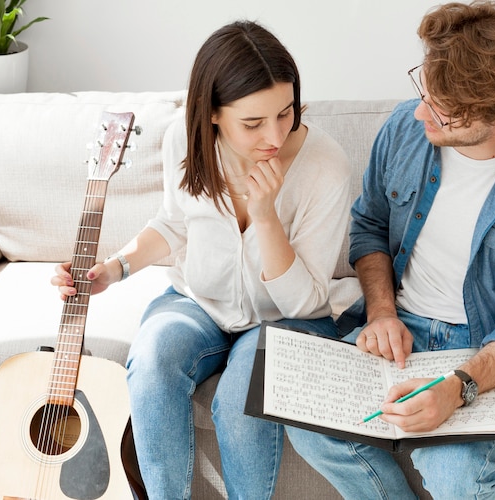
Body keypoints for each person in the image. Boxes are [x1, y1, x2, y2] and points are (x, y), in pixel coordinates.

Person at [285, 1, 495, 499]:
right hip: (401, 328)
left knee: (455, 476)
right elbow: (370, 224)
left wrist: (457, 388)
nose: (421, 112)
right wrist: (382, 312)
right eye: (423, 90)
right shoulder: (407, 127)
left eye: (442, 108)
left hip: (485, 345)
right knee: (305, 420)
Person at [52, 20, 351, 499]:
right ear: (211, 114)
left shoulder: (324, 165)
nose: (274, 135)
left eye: (286, 113)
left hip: (288, 321)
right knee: (150, 361)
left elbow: (305, 303)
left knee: (239, 400)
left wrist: (267, 218)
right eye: (252, 123)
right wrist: (113, 269)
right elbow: (173, 224)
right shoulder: (184, 143)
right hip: (199, 303)